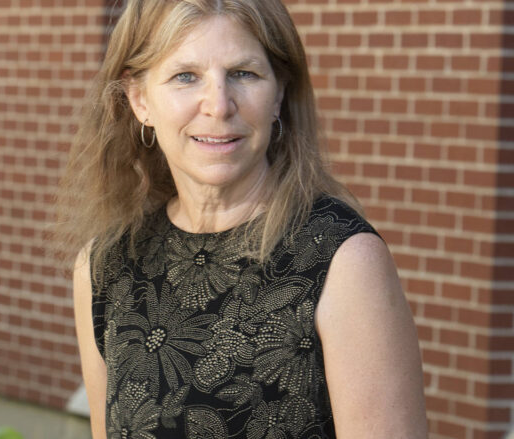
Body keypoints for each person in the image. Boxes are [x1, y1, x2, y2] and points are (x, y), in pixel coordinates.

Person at [55, 0, 428, 437]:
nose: (218, 104)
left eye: (243, 74)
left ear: (279, 95)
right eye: (185, 76)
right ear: (140, 100)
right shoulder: (106, 265)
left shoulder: (344, 261)